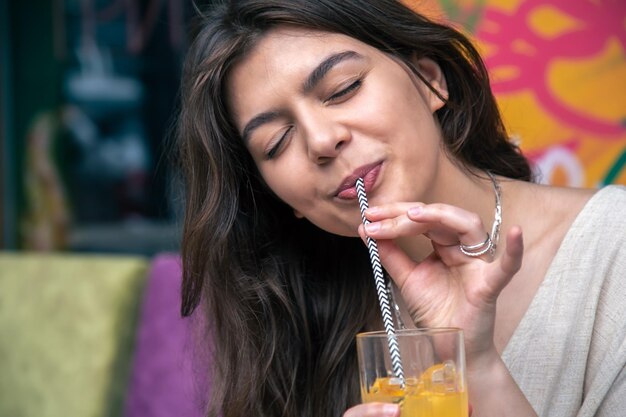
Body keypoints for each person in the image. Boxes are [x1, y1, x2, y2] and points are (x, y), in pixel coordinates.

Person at [175, 1, 626, 416]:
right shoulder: (292, 325)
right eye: (276, 142)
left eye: (344, 88)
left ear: (430, 80)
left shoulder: (613, 246)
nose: (321, 141)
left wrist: (482, 368)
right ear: (278, 197)